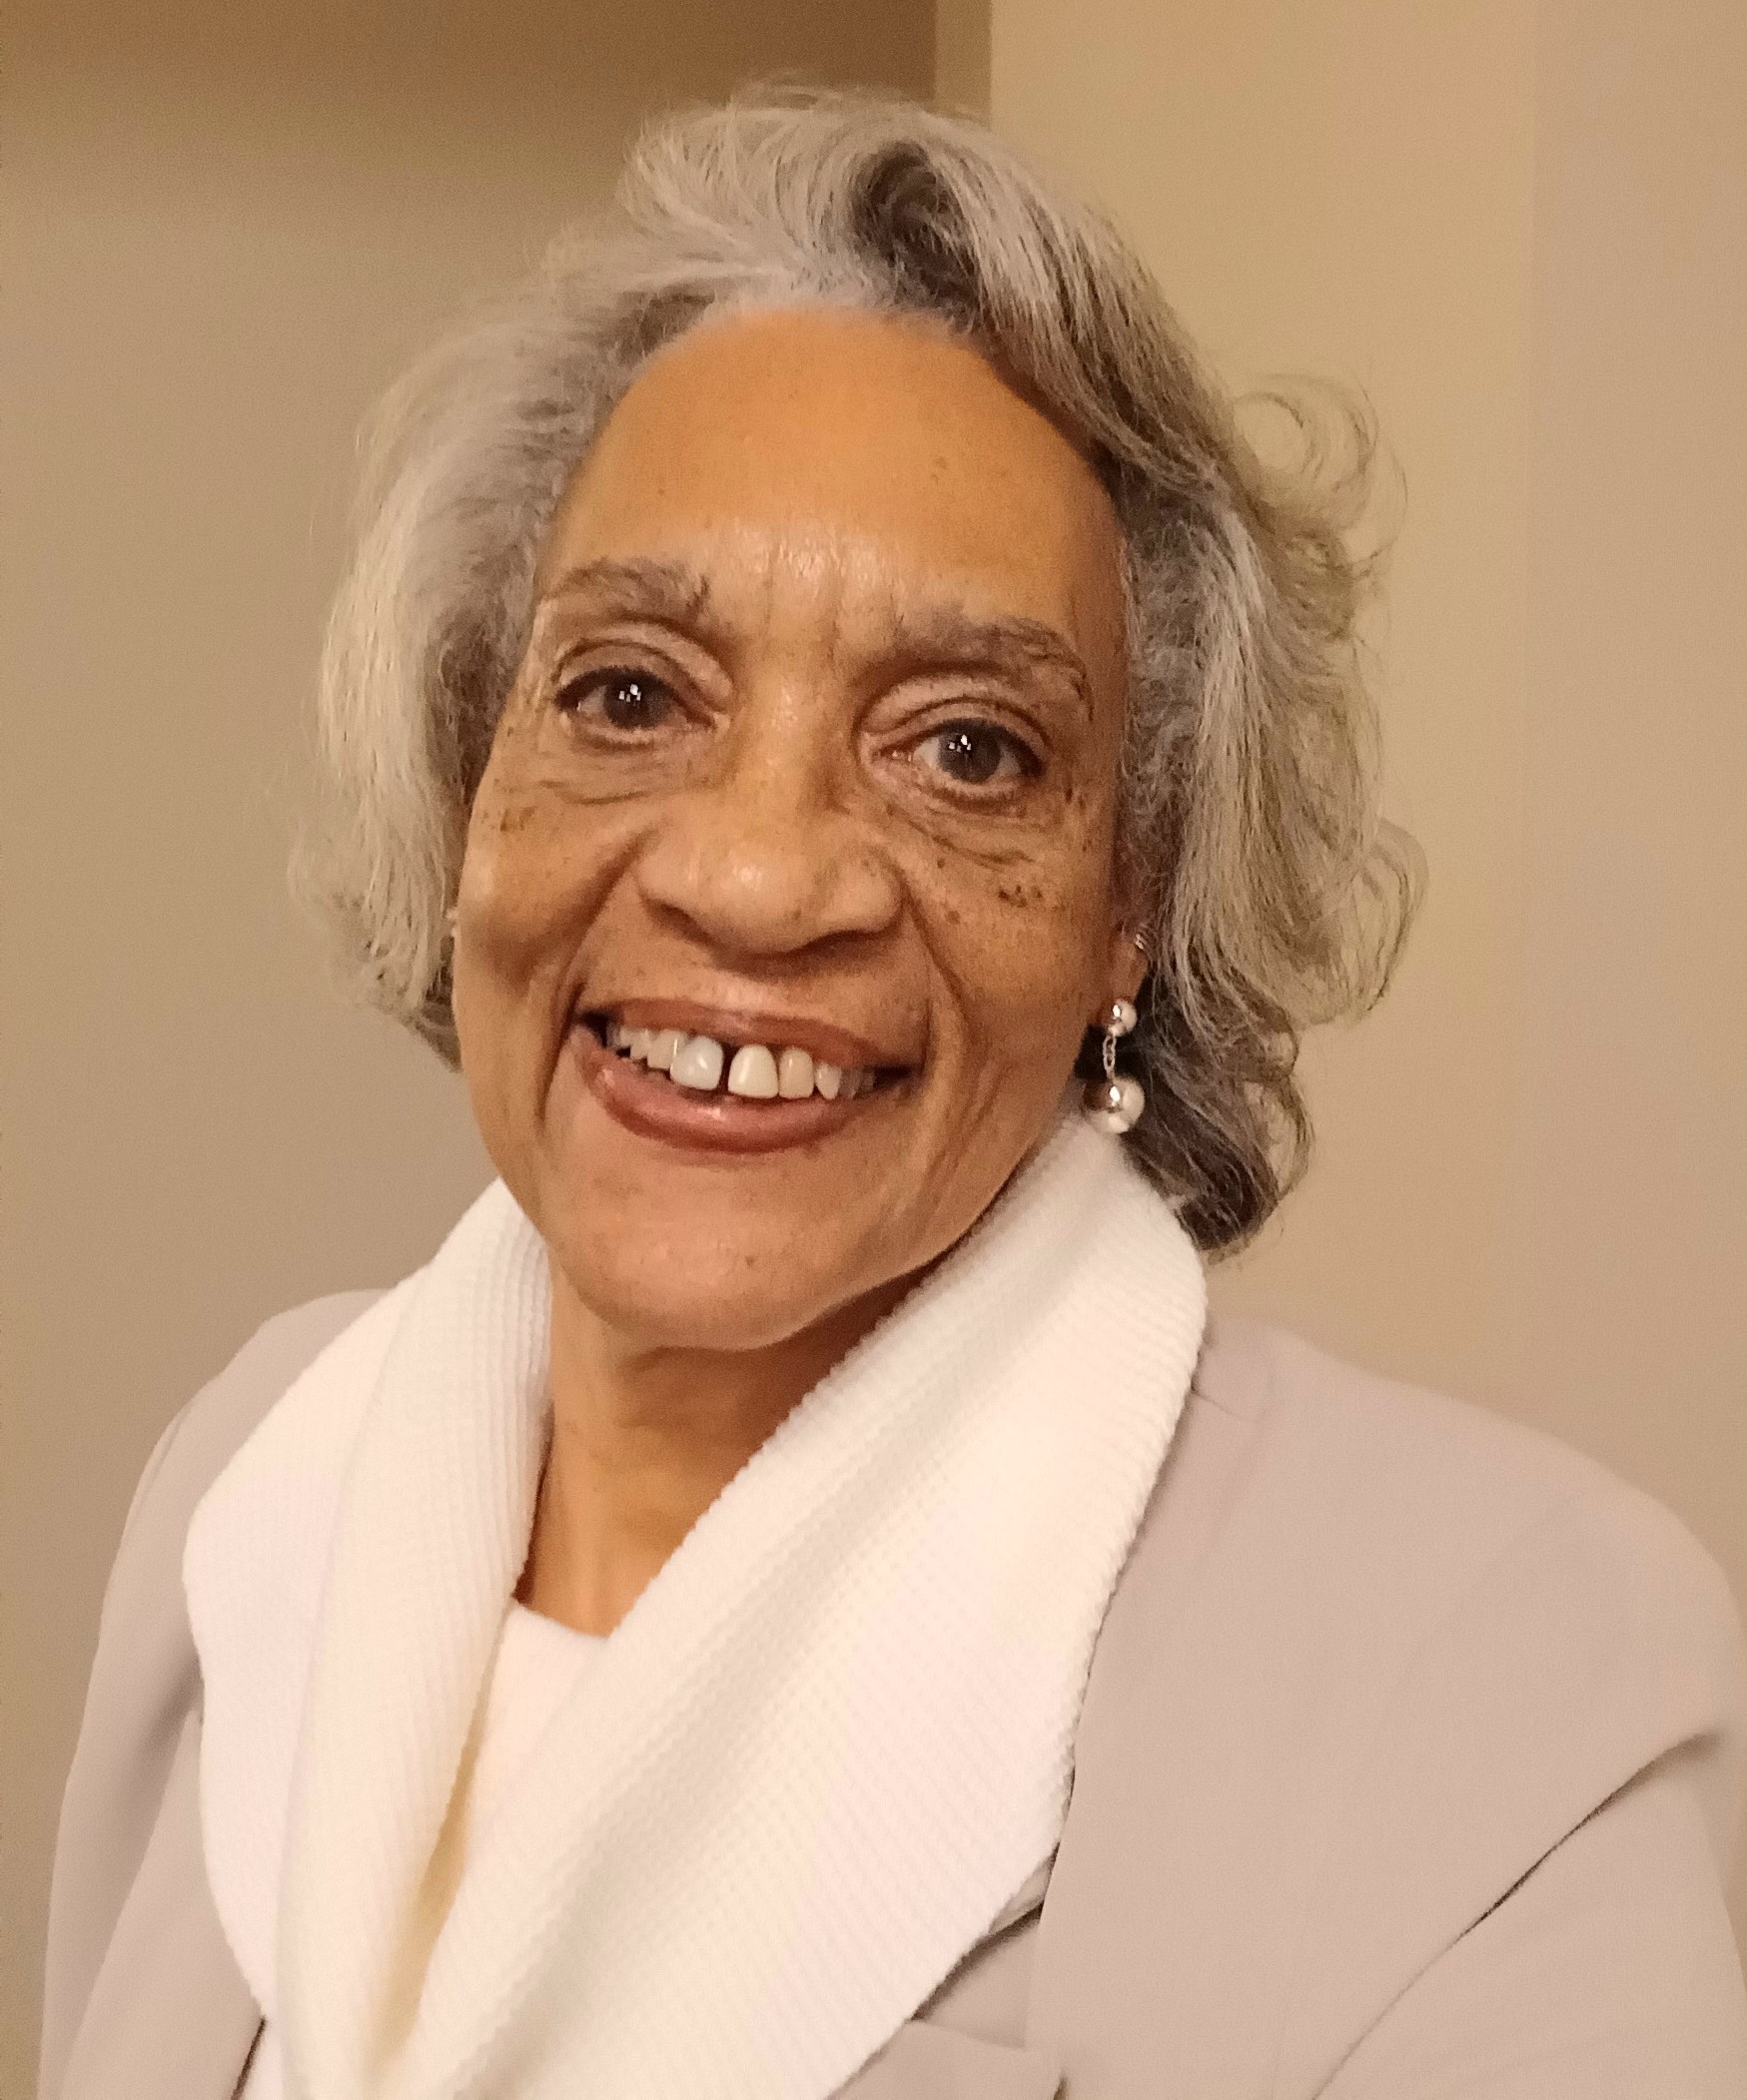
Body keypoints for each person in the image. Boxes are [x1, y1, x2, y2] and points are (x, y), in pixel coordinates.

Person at [40, 88, 1747, 2100]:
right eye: (626, 695)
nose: (753, 873)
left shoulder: (1488, 1676)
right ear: (468, 774)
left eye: (963, 748)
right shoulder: (255, 1476)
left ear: (1132, 904)